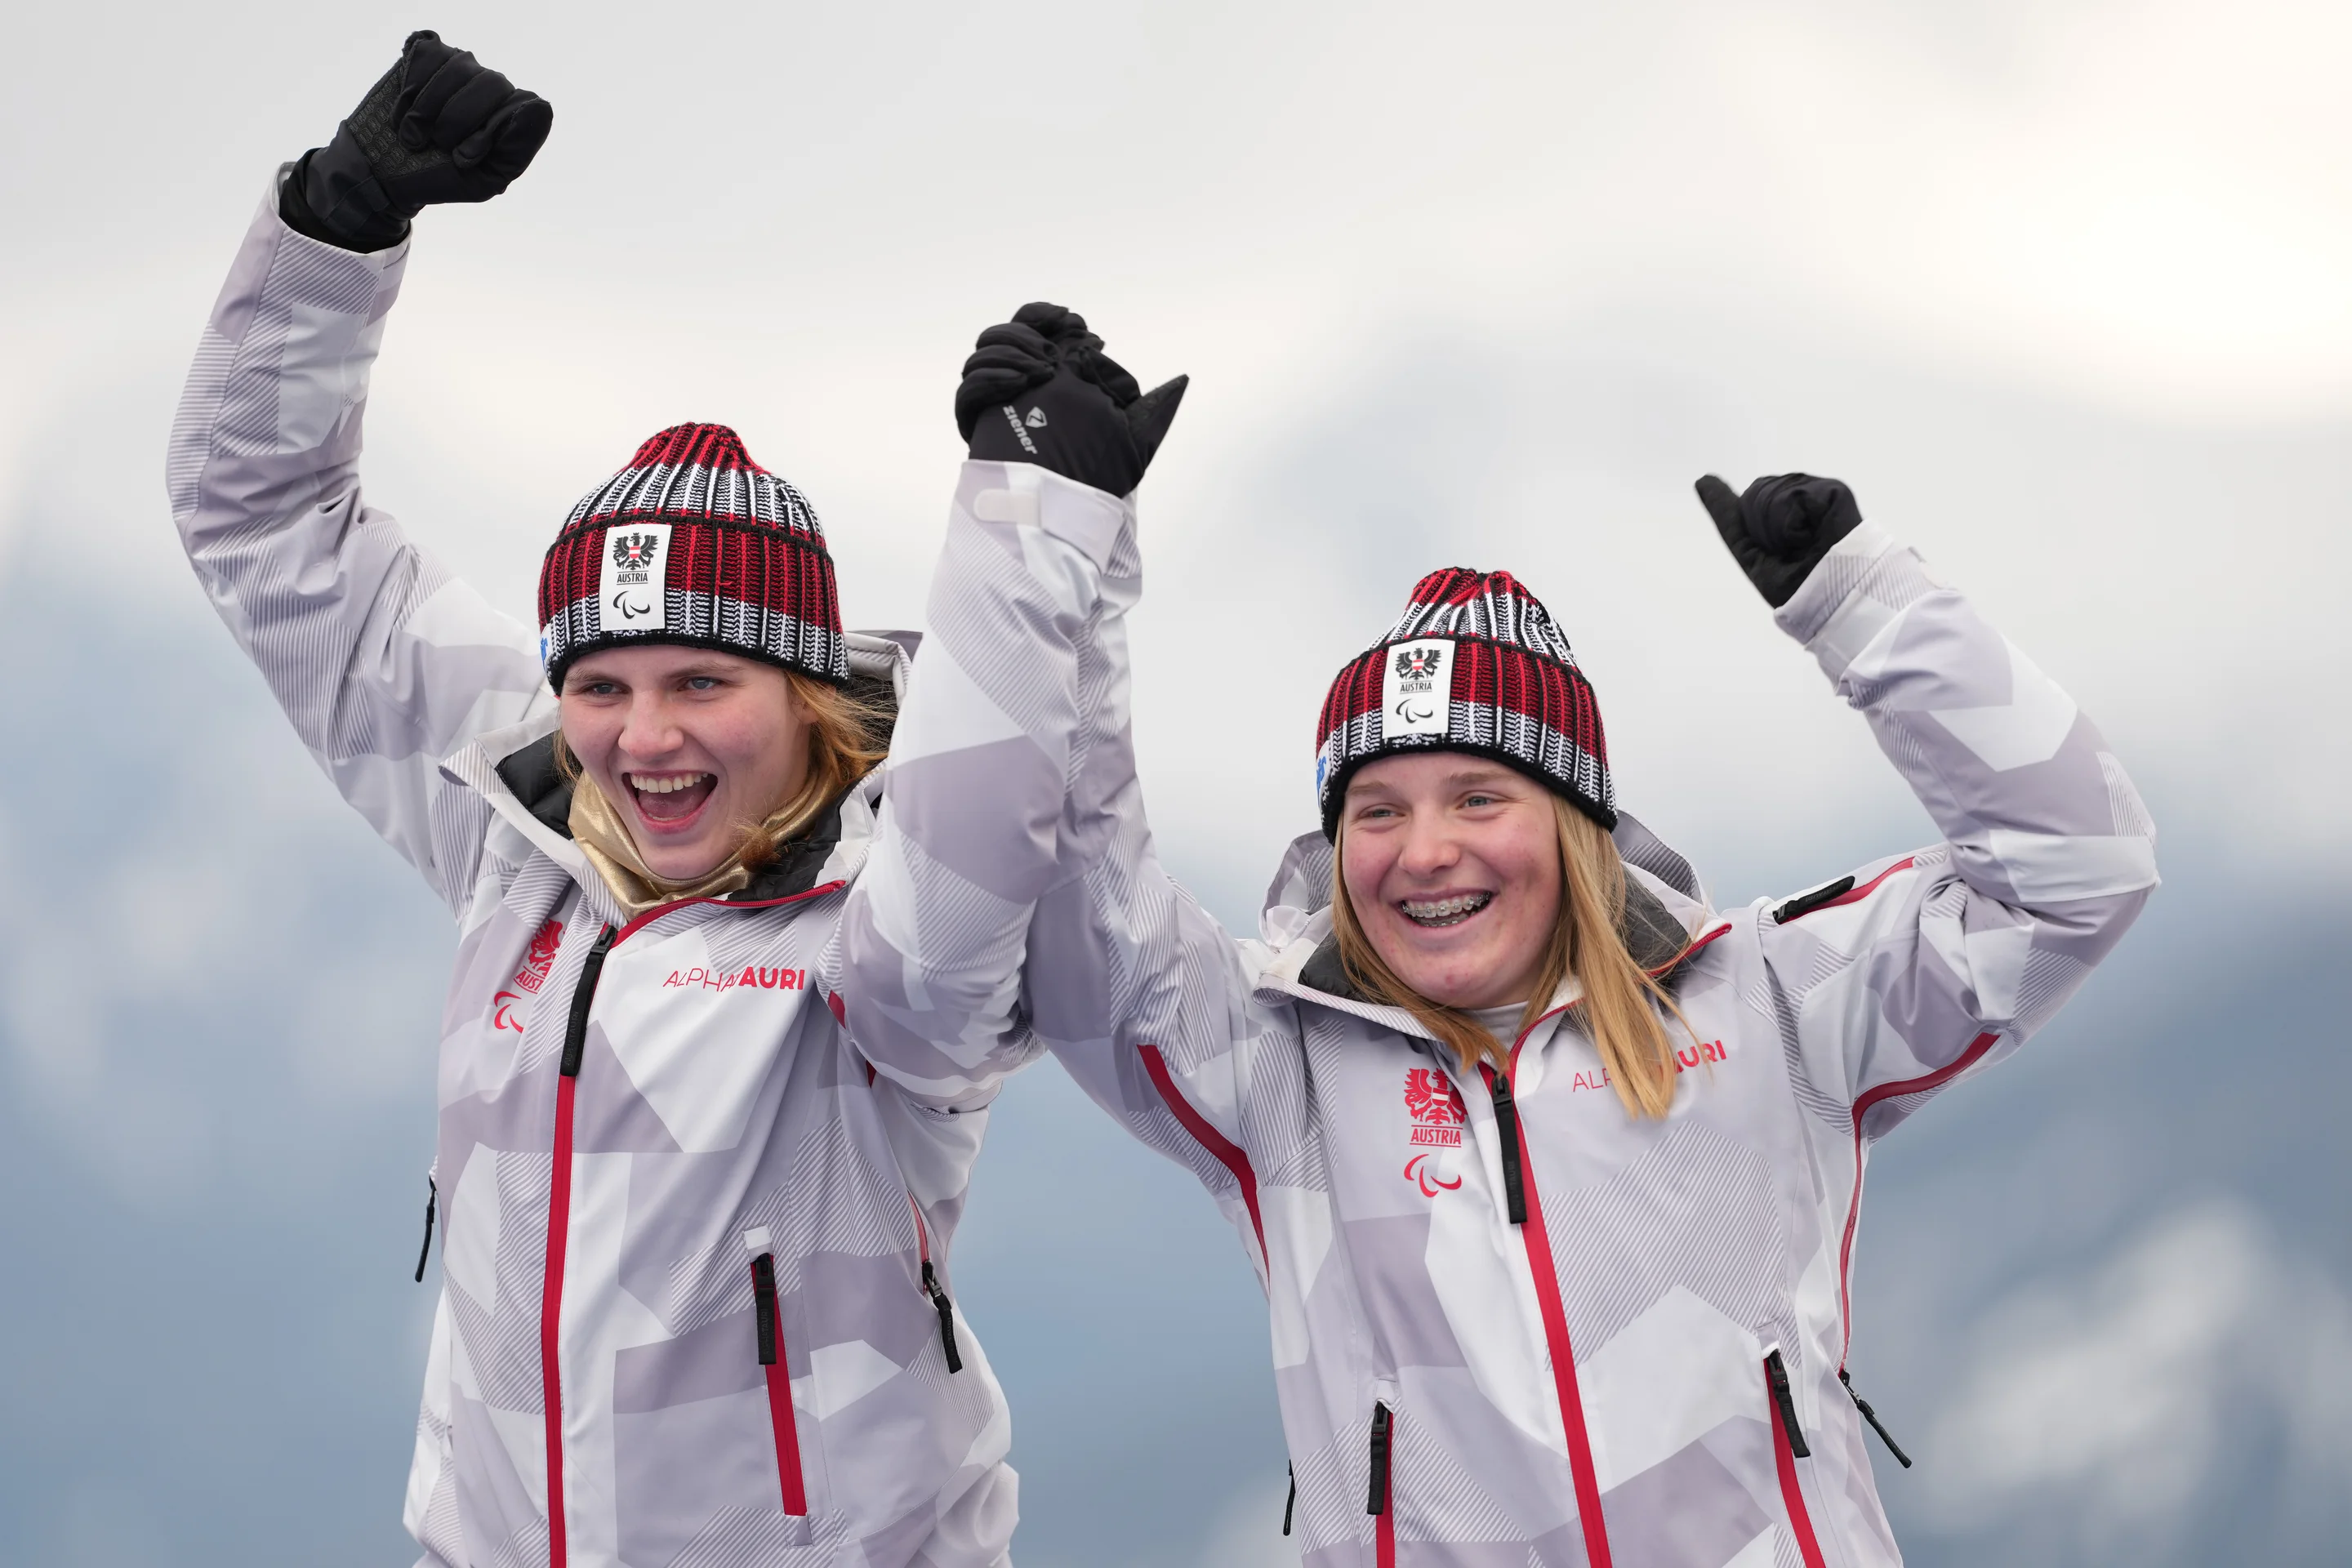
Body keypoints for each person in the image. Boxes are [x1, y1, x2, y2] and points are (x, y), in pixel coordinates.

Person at [841, 310, 2158, 1566]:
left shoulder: (1770, 1007)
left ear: (1575, 828)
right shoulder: (1275, 1071)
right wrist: (1051, 525)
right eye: (1378, 810)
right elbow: (1085, 887)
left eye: (1480, 798)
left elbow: (2077, 869)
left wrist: (1863, 604)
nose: (1425, 851)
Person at [167, 33, 1018, 1568]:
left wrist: (1039, 519)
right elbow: (262, 521)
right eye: (603, 684)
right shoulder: (518, 829)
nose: (644, 739)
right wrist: (335, 234)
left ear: (807, 698)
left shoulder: (894, 912)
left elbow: (1025, 809)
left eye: (703, 682)